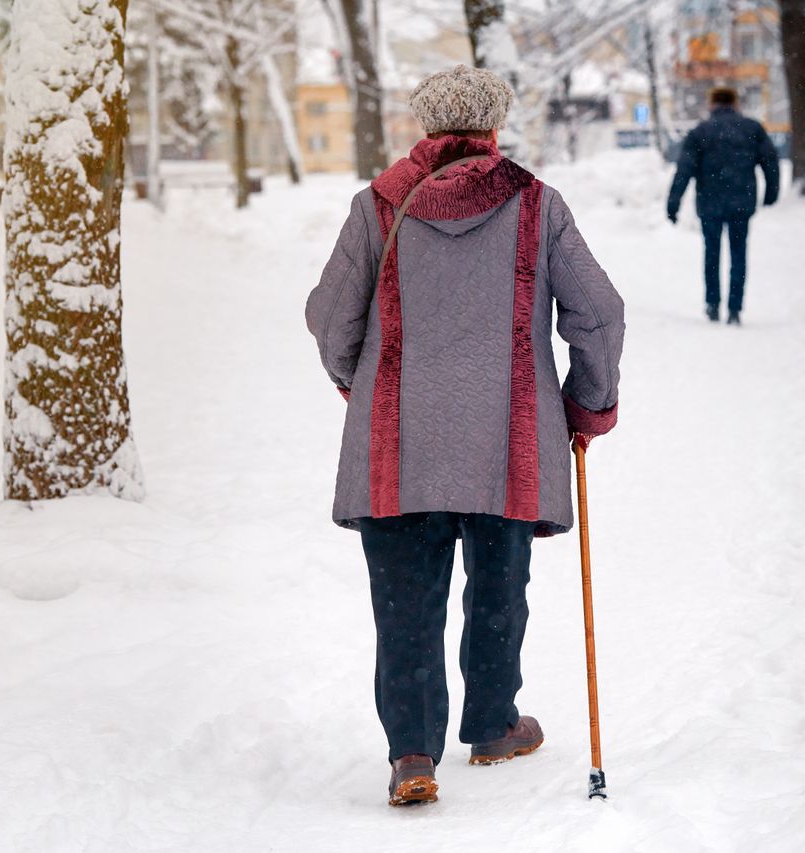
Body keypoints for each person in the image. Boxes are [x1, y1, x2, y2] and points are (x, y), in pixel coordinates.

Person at [304, 65, 625, 807]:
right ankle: (492, 721)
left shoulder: (375, 206)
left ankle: (413, 755)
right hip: (504, 439)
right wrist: (588, 404)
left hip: (398, 446)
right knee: (498, 586)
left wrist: (361, 381)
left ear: (425, 126)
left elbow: (330, 317)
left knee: (405, 600)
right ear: (493, 127)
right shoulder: (538, 206)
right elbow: (599, 314)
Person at [666, 86, 780, 325]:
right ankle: (735, 309)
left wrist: (673, 203)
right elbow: (770, 161)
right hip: (742, 201)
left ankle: (712, 304)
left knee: (712, 253)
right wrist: (771, 192)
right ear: (735, 104)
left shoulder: (700, 132)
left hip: (710, 204)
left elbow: (684, 169)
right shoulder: (752, 129)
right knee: (739, 254)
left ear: (712, 105)